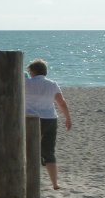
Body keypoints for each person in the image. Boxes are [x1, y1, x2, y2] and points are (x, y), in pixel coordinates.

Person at [25, 59, 72, 190]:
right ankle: (55, 183)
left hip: (31, 119)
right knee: (49, 151)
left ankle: (28, 180)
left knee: (27, 149)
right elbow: (61, 103)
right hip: (50, 118)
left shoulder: (26, 83)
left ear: (33, 71)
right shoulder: (52, 84)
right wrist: (68, 118)